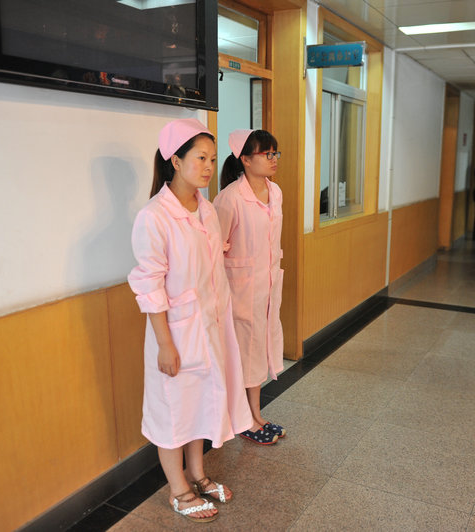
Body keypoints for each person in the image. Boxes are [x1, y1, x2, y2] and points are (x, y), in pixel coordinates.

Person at [128, 118, 253, 523]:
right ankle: (178, 490)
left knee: (201, 403)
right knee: (173, 410)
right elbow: (150, 286)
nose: (208, 167)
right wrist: (165, 343)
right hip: (176, 334)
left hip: (210, 327)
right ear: (175, 161)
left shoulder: (206, 210)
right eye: (200, 158)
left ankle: (198, 475)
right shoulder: (154, 216)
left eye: (213, 159)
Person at [214, 129, 286, 445]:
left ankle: (255, 414)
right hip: (239, 290)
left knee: (258, 350)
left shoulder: (275, 192)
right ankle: (244, 419)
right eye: (266, 154)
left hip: (266, 285)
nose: (273, 159)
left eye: (275, 153)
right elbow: (214, 248)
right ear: (245, 159)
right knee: (244, 353)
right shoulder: (229, 198)